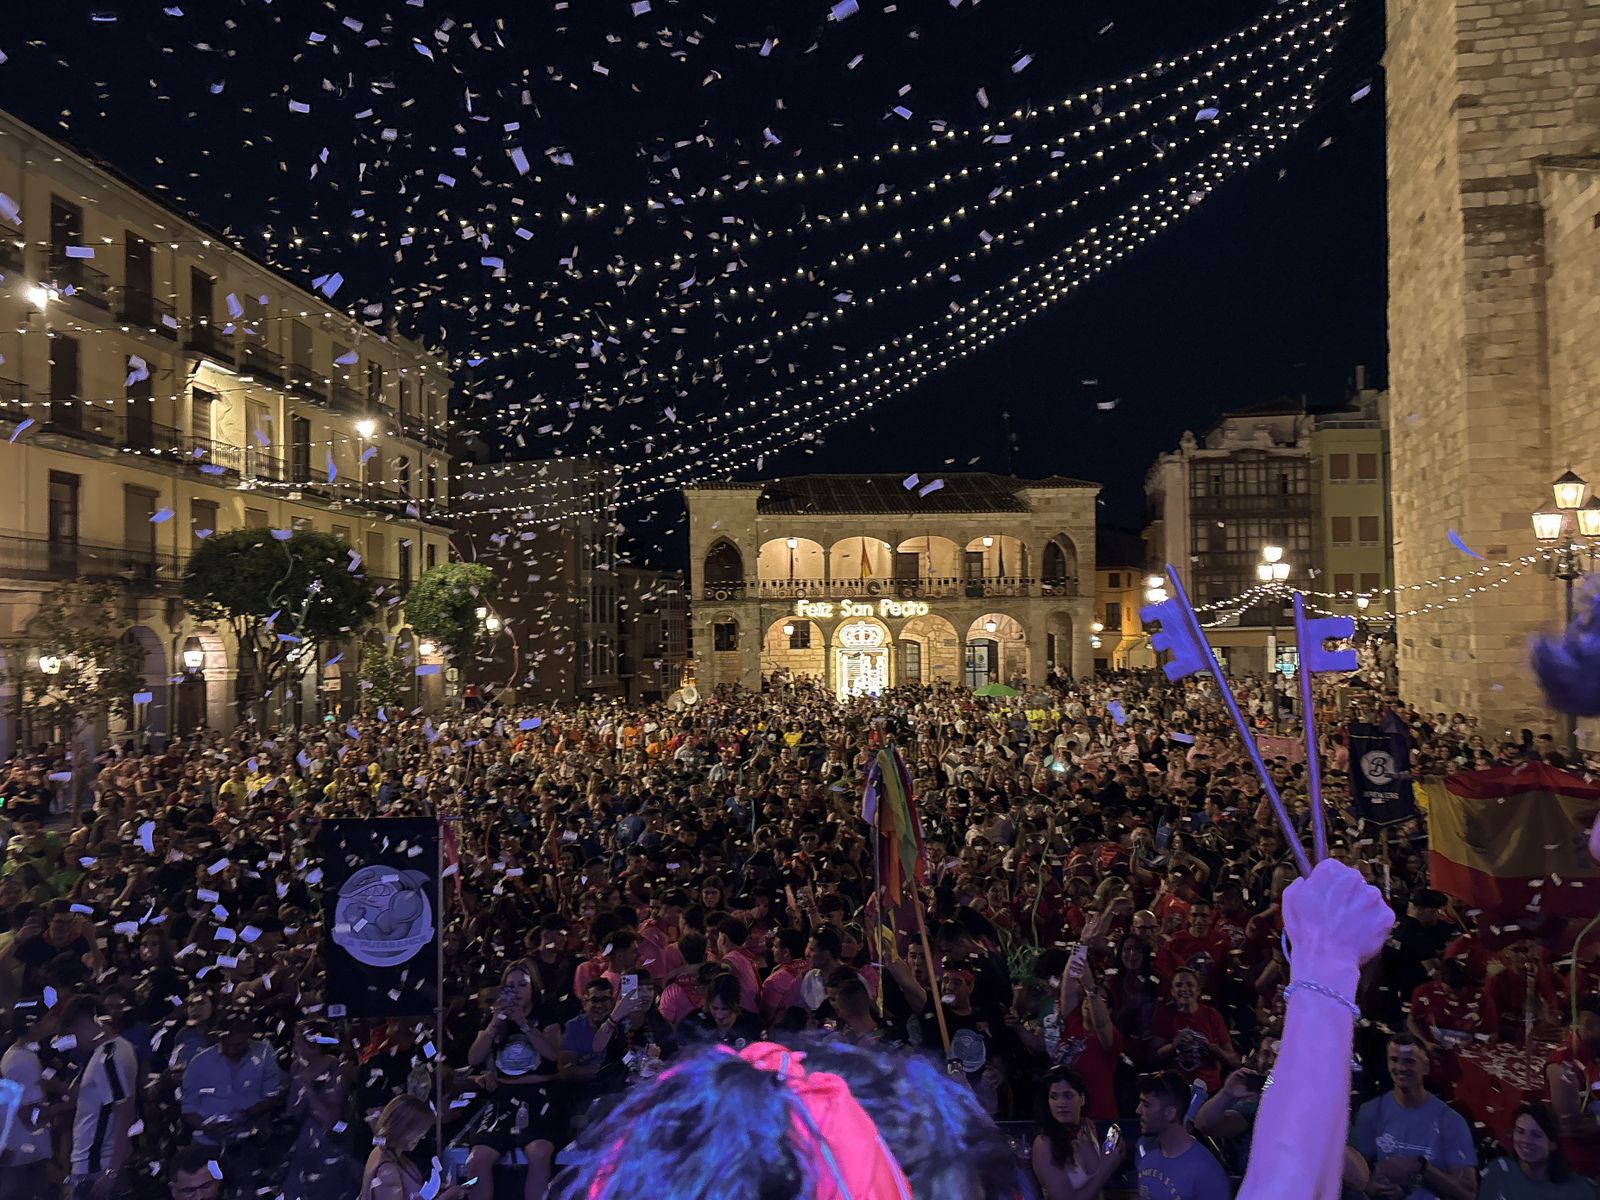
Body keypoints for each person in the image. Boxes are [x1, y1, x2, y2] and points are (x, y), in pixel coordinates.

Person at [462, 962, 565, 1200]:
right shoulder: (495, 1016)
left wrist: (523, 1023)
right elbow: (474, 1057)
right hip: (504, 1095)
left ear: (533, 988)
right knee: (477, 1157)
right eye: (510, 986)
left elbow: (553, 1054)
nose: (517, 991)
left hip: (541, 1093)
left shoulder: (546, 1013)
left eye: (522, 985)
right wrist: (495, 1024)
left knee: (538, 1152)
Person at [1348, 1035, 1476, 1200]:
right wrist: (1372, 1187)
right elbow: (1356, 1175)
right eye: (1394, 1060)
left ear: (1426, 1067)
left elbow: (1468, 1194)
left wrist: (1423, 1168)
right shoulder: (1371, 1112)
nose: (1400, 1067)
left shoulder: (1451, 1121)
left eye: (1409, 1061)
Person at [61, 995, 139, 1200]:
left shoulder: (109, 1056)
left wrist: (111, 1172)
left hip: (97, 1165)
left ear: (84, 1023)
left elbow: (125, 1110)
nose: (74, 1041)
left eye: (73, 1032)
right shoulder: (115, 1050)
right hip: (98, 1163)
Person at [1133, 1070, 1231, 1200]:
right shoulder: (1144, 1150)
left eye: (1146, 1105)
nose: (1138, 1111)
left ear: (1170, 1113)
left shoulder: (1207, 1173)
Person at [1031, 1066, 1124, 1200]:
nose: (1061, 1103)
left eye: (1068, 1095)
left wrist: (1115, 1153)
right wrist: (1106, 1167)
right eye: (1054, 1097)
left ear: (1082, 1099)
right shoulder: (1044, 1143)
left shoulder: (1088, 1126)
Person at [1477, 1103, 1596, 1200]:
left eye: (1536, 1135)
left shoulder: (1578, 1191)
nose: (1526, 1140)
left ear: (1552, 1143)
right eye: (1520, 1132)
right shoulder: (1498, 1172)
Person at [360, 1094, 468, 1200]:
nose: (423, 1137)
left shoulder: (389, 1153)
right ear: (406, 1130)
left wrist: (434, 1193)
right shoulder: (387, 1171)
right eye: (420, 1132)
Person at [1546, 995, 1600, 1180]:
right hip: (1579, 1167)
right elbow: (1570, 1127)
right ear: (1590, 1026)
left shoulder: (1595, 1053)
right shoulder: (1563, 1065)